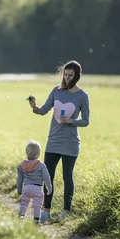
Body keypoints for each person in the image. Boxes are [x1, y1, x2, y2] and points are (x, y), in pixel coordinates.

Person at [27, 60, 90, 223]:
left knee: (67, 177)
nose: (68, 78)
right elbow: (43, 110)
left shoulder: (82, 96)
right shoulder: (56, 91)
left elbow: (86, 121)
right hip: (53, 141)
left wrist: (71, 121)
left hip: (70, 143)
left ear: (77, 76)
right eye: (66, 74)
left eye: (71, 75)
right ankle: (46, 211)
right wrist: (34, 106)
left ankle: (66, 211)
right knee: (47, 177)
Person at [17, 139, 52, 224]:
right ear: (39, 153)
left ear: (26, 152)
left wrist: (19, 189)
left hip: (26, 188)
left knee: (24, 203)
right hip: (37, 188)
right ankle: (36, 219)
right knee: (37, 205)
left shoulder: (22, 165)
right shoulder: (41, 165)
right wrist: (49, 187)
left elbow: (19, 178)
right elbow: (46, 177)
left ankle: (21, 216)